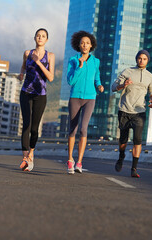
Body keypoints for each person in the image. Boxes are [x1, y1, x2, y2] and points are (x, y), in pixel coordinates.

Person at [111, 50, 152, 178]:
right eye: (140, 58)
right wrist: (122, 85)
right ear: (136, 59)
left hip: (139, 112)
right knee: (123, 140)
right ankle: (121, 156)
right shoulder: (127, 71)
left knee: (137, 140)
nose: (141, 61)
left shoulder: (150, 76)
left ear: (148, 61)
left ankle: (134, 169)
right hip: (124, 110)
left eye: (144, 59)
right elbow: (113, 87)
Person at [66, 30, 104, 174]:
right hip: (75, 97)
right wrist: (80, 67)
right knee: (73, 129)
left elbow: (97, 78)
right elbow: (71, 81)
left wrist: (99, 86)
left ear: (91, 45)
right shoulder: (73, 60)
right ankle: (70, 160)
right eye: (82, 43)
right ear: (78, 45)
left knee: (83, 129)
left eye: (87, 43)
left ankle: (79, 162)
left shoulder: (96, 61)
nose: (85, 45)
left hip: (90, 98)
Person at [18, 28, 55, 172]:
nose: (40, 38)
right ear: (34, 38)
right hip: (25, 92)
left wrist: (38, 62)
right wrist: (21, 74)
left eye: (43, 36)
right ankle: (25, 158)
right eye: (38, 35)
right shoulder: (27, 53)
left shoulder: (50, 56)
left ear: (46, 40)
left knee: (34, 127)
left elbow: (51, 78)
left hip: (40, 95)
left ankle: (31, 153)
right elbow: (23, 67)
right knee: (26, 125)